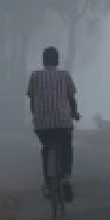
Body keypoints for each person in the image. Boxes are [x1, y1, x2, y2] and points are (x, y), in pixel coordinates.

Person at [27, 46, 80, 201]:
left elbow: (32, 100)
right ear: (57, 60)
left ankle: (48, 182)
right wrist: (74, 113)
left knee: (46, 147)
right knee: (66, 147)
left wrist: (36, 116)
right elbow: (71, 99)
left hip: (42, 125)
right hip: (63, 123)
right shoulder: (65, 76)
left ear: (43, 61)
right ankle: (66, 179)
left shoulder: (35, 76)